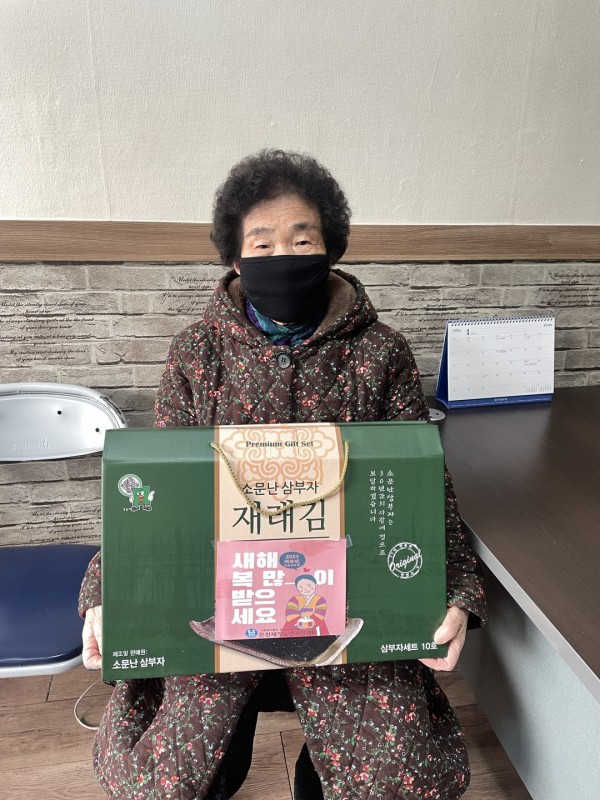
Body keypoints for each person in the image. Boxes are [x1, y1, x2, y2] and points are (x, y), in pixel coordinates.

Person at [80, 149, 486, 800]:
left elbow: (421, 486)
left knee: (392, 777)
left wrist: (459, 592)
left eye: (302, 239)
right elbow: (152, 493)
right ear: (235, 258)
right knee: (168, 778)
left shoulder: (380, 352)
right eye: (262, 243)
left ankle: (320, 772)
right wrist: (104, 594)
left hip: (351, 601)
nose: (283, 255)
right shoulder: (196, 353)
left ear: (331, 246)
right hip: (219, 599)